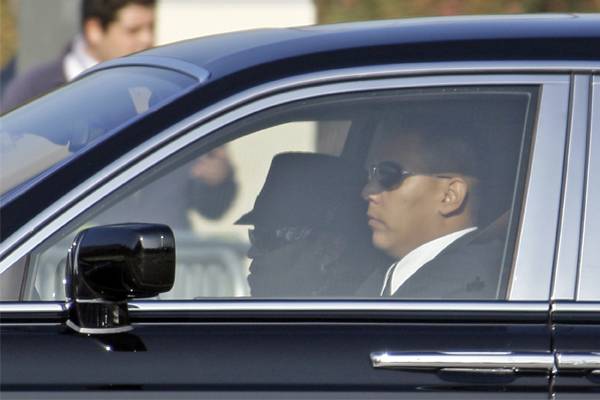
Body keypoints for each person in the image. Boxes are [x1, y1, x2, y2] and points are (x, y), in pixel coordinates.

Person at [362, 111, 505, 299]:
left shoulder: (462, 292)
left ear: (449, 196)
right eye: (370, 174)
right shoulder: (393, 275)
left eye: (388, 174)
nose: (367, 192)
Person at [236, 152, 389, 297]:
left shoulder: (343, 317)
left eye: (267, 239)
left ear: (330, 248)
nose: (251, 252)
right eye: (254, 236)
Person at [2, 0, 155, 112]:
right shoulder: (33, 90)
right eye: (133, 30)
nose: (147, 39)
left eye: (151, 27)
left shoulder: (155, 85)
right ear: (94, 30)